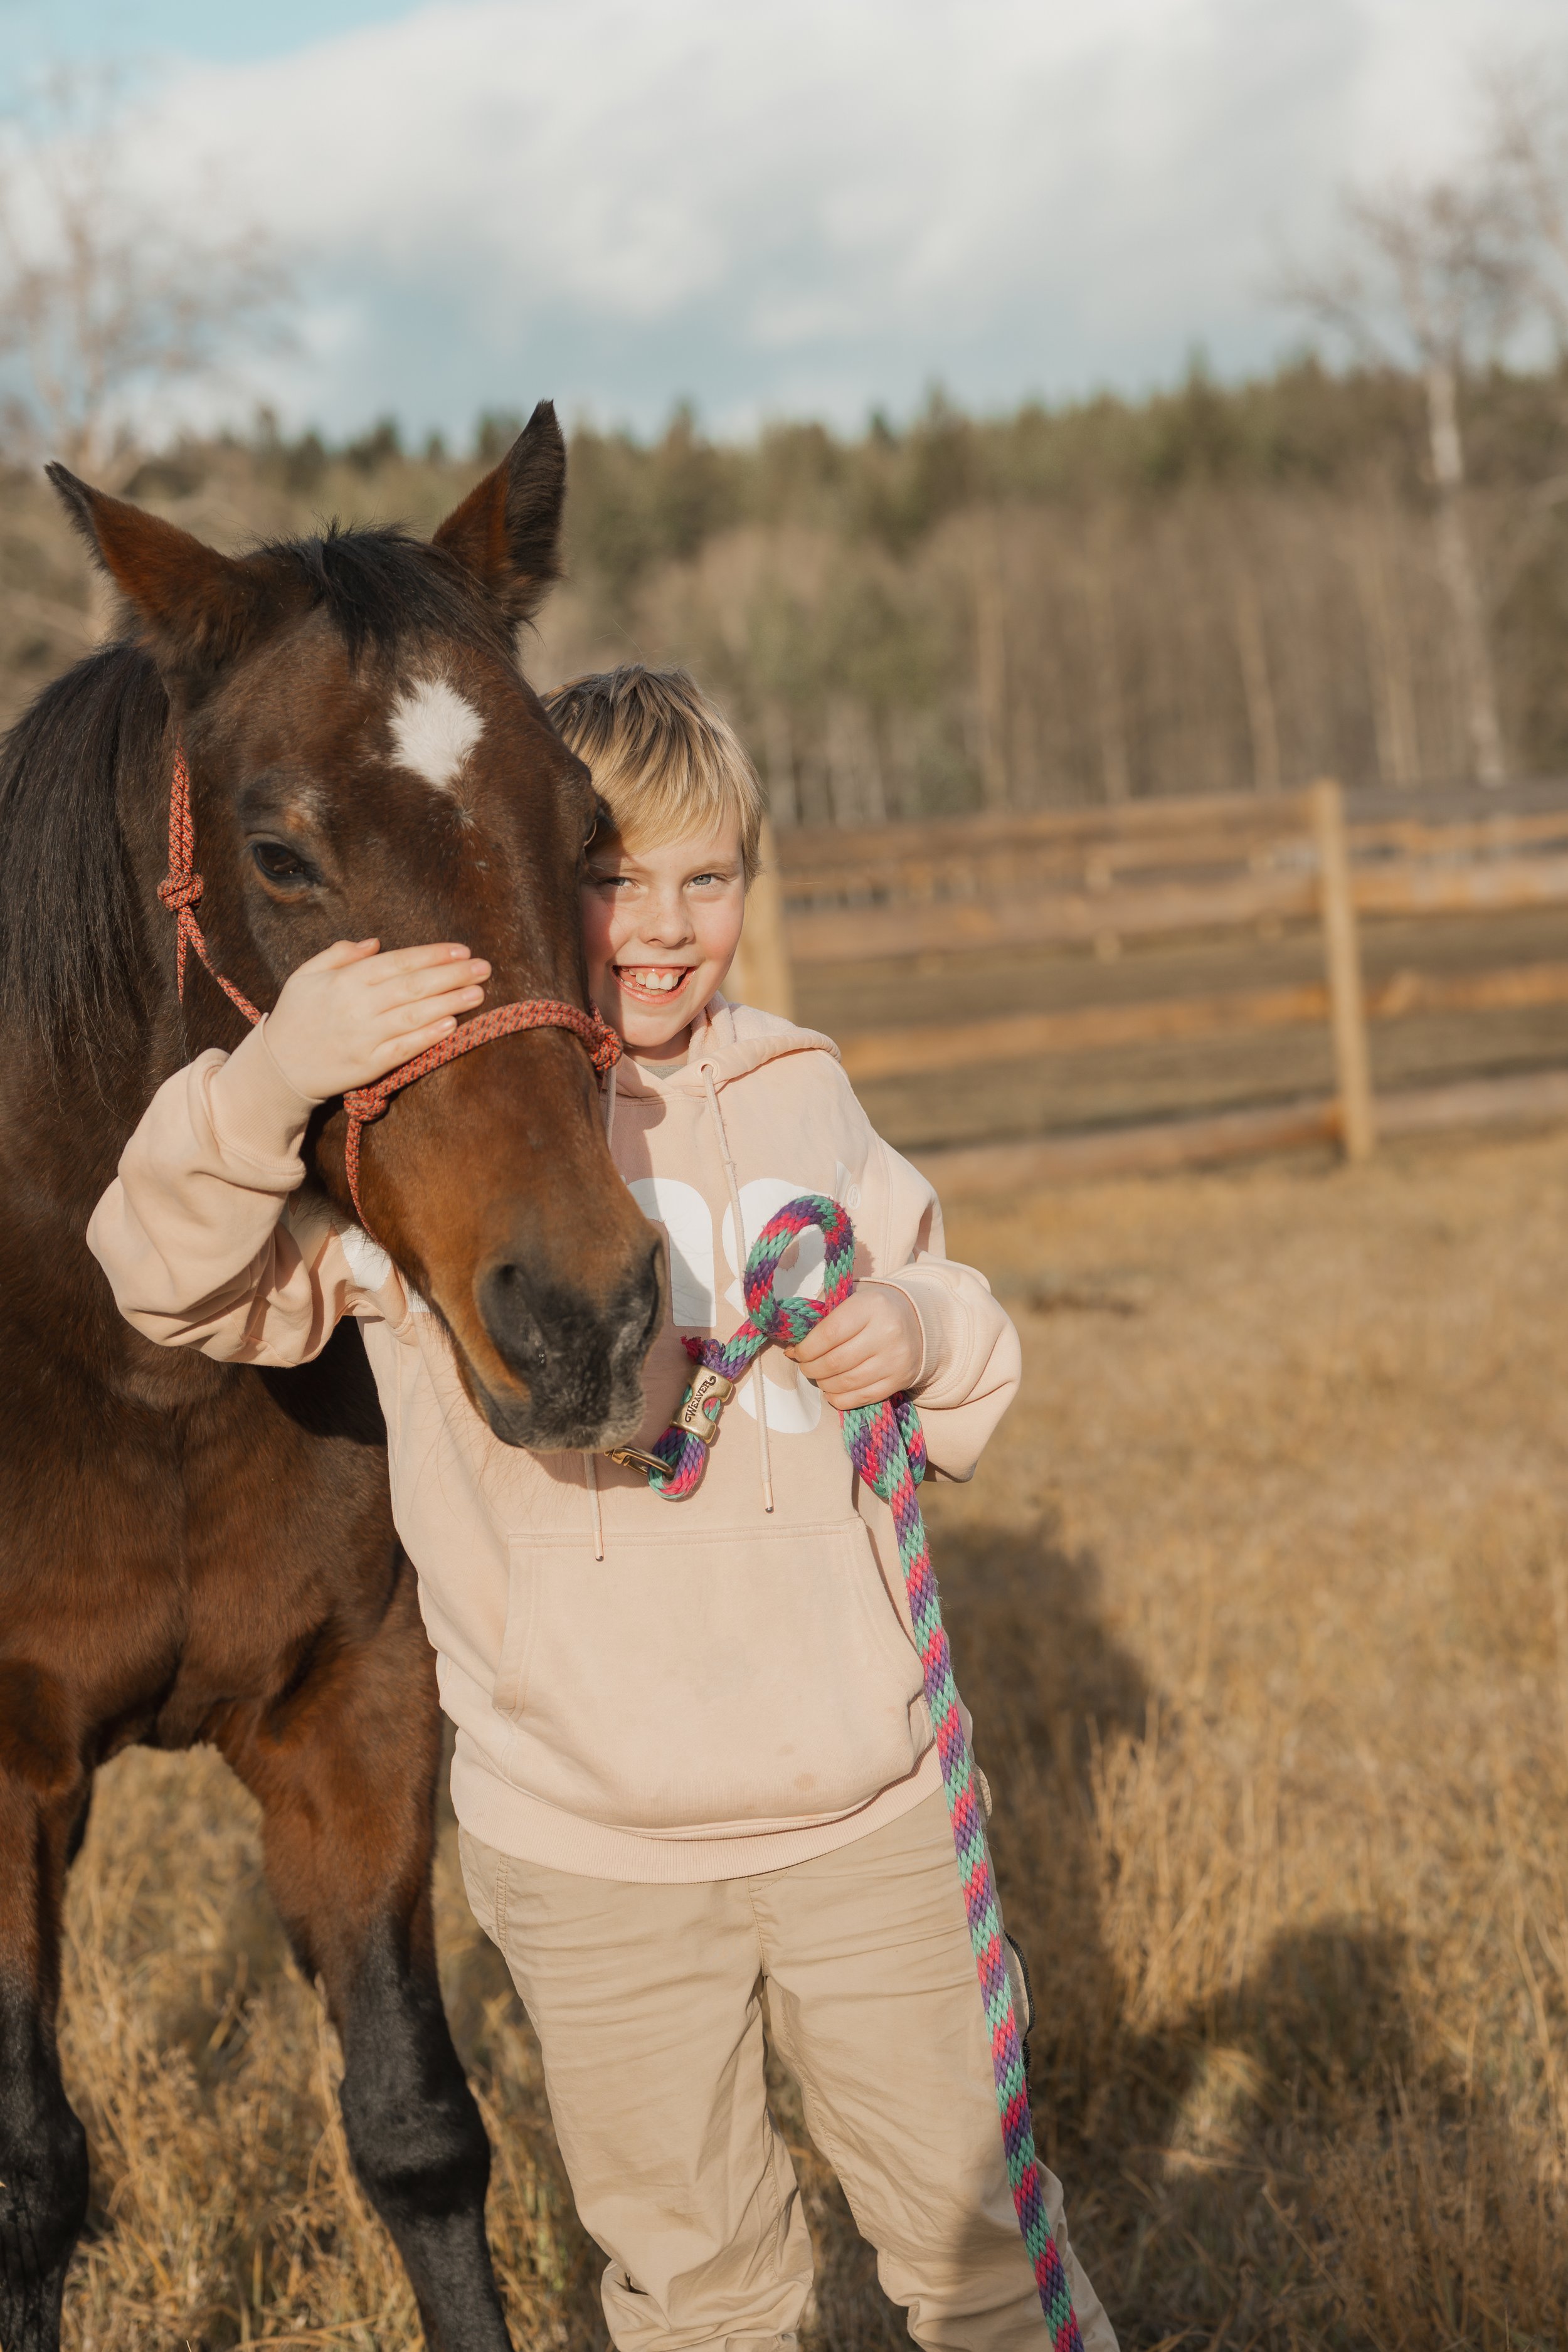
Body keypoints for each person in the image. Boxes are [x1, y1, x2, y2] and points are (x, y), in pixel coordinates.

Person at [87, 662, 1117, 2352]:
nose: (662, 926)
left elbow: (953, 1319)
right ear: (519, 878)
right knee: (702, 2291)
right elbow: (162, 1274)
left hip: (865, 1815)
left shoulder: (800, 1090)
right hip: (596, 1850)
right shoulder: (429, 1142)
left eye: (709, 879)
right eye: (614, 879)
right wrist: (277, 1076)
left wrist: (916, 1330)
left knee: (984, 2253)